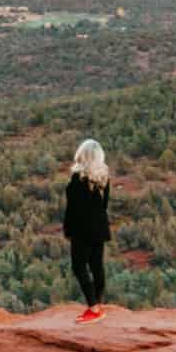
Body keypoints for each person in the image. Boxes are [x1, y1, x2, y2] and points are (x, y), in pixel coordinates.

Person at [62, 138, 111, 322]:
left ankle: (94, 308)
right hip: (99, 228)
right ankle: (97, 304)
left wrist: (68, 230)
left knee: (79, 267)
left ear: (82, 155)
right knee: (97, 265)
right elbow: (104, 205)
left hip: (81, 231)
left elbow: (72, 210)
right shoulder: (103, 178)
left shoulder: (77, 179)